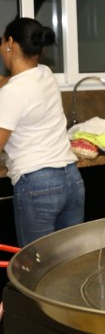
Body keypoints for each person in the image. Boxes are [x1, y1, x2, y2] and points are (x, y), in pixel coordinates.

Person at [0, 17, 85, 247]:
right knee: (68, 263)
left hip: (38, 185)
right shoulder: (45, 73)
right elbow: (14, 83)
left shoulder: (12, 93)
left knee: (35, 270)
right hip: (71, 180)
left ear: (10, 43)